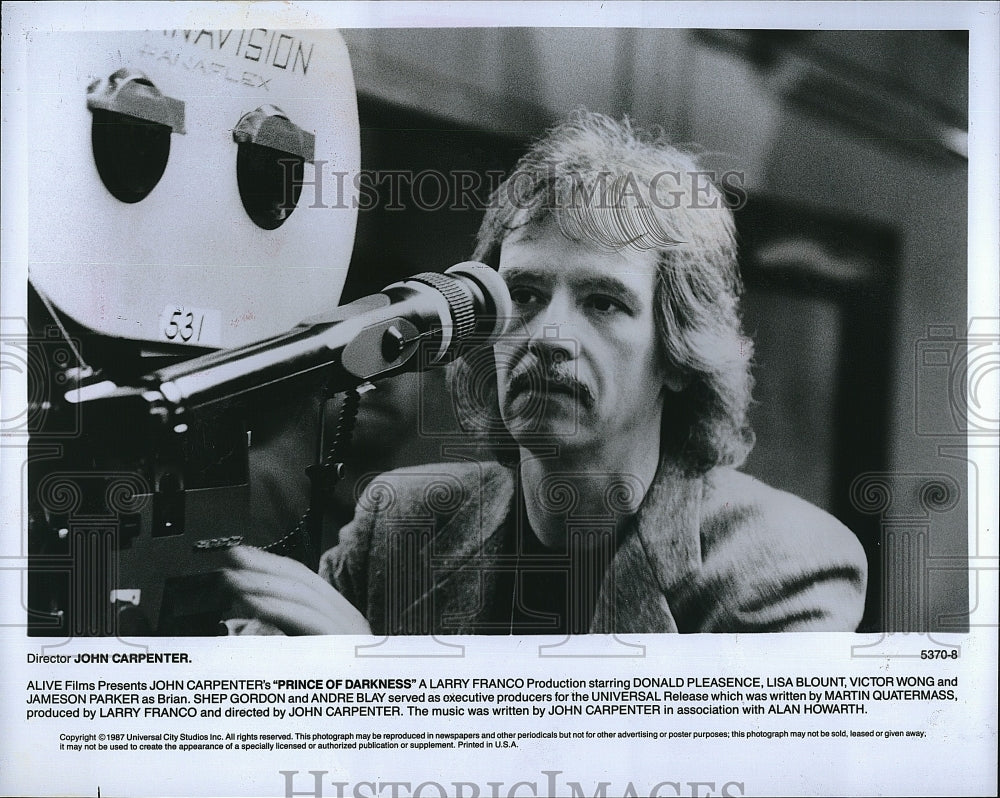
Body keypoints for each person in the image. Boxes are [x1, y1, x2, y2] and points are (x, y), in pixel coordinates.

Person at [223, 110, 867, 635]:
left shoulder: (783, 566)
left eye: (604, 302)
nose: (550, 336)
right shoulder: (399, 525)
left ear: (677, 354)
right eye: (524, 294)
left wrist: (377, 689)